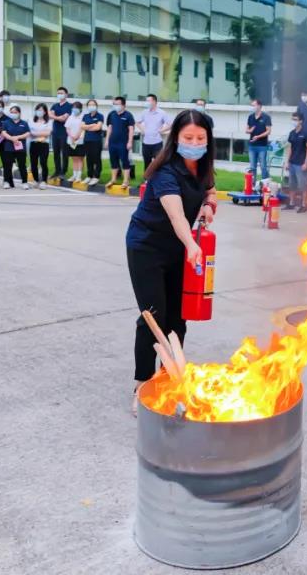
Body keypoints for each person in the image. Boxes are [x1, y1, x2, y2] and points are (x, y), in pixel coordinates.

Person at [125, 109, 218, 405]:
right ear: (175, 138)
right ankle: (142, 385)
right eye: (188, 137)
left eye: (200, 137)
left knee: (179, 317)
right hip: (147, 247)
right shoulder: (166, 171)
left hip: (179, 248)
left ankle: (167, 379)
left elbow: (210, 190)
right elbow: (177, 215)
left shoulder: (202, 167)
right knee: (153, 317)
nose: (194, 142)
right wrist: (192, 245)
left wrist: (208, 203)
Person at [283, 111, 307, 213]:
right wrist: (287, 162)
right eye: (292, 119)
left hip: (301, 163)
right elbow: (290, 148)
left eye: (295, 119)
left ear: (301, 121)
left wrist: (306, 163)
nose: (293, 121)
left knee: (302, 185)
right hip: (292, 163)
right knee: (292, 184)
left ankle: (304, 205)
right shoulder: (292, 133)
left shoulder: (306, 133)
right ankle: (291, 203)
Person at [105, 96, 135, 188]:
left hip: (123, 143)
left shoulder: (128, 115)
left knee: (124, 161)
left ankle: (126, 181)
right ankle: (113, 179)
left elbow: (131, 129)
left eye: (118, 104)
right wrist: (107, 140)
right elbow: (109, 128)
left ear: (123, 105)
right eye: (114, 104)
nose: (115, 106)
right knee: (113, 161)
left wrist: (130, 142)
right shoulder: (111, 114)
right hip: (112, 142)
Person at [0, 104, 31, 189]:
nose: (13, 114)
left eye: (15, 112)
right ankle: (6, 182)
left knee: (22, 165)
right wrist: (12, 138)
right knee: (7, 165)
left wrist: (18, 137)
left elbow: (27, 133)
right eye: (12, 112)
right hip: (9, 147)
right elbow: (3, 132)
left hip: (20, 147)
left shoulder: (24, 123)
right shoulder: (6, 122)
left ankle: (24, 182)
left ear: (19, 113)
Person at [138, 93, 171, 171]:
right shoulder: (144, 112)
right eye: (146, 101)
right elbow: (137, 122)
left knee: (158, 162)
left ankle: (158, 179)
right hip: (146, 142)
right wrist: (143, 130)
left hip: (157, 143)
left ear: (154, 102)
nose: (147, 102)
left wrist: (162, 130)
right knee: (147, 162)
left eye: (148, 101)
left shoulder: (162, 113)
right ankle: (147, 180)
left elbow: (170, 124)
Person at [245, 99, 272, 181]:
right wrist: (250, 130)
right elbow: (247, 130)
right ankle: (252, 185)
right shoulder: (250, 117)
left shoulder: (266, 117)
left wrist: (258, 136)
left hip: (262, 146)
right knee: (252, 167)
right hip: (252, 146)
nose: (252, 107)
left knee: (263, 166)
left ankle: (265, 184)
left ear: (259, 106)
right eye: (252, 106)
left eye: (254, 105)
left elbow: (268, 131)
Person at [50, 86, 72, 181]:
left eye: (61, 93)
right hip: (55, 132)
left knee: (65, 153)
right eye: (58, 93)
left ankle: (63, 171)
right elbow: (50, 115)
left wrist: (56, 117)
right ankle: (57, 170)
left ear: (66, 94)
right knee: (56, 153)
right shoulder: (55, 105)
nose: (60, 95)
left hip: (64, 132)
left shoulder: (69, 106)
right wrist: (59, 118)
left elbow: (65, 118)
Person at [29, 103, 52, 188]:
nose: (39, 112)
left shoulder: (48, 121)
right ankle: (35, 180)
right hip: (34, 144)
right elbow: (30, 133)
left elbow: (48, 133)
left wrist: (35, 133)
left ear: (45, 112)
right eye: (38, 110)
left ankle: (44, 181)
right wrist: (40, 133)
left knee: (43, 162)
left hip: (44, 144)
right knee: (33, 163)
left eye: (41, 110)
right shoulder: (31, 120)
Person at [82, 99, 104, 185]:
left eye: (93, 104)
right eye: (90, 105)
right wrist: (92, 125)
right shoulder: (85, 116)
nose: (91, 106)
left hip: (96, 140)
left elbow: (98, 127)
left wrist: (87, 126)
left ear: (96, 106)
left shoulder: (100, 116)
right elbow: (82, 126)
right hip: (87, 140)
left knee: (96, 158)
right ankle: (89, 176)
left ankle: (96, 176)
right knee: (89, 158)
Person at [65, 101, 87, 183]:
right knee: (74, 158)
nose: (74, 110)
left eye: (76, 108)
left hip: (80, 140)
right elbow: (67, 128)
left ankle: (79, 176)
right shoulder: (71, 116)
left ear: (80, 109)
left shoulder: (83, 117)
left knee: (80, 158)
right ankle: (74, 175)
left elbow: (82, 128)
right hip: (71, 141)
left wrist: (77, 136)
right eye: (73, 108)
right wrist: (71, 136)